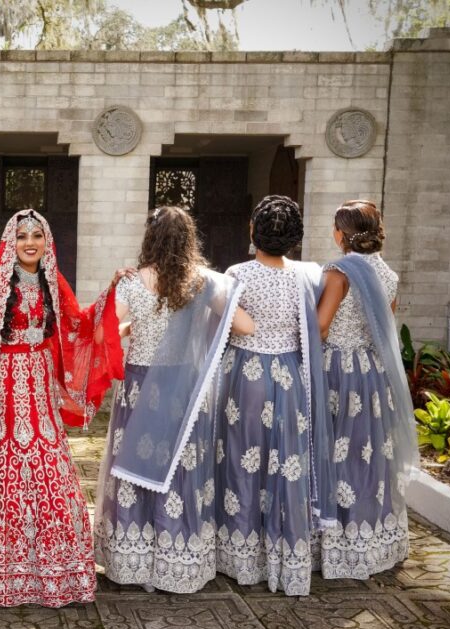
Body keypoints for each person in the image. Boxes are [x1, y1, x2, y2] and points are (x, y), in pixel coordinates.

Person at [0, 208, 124, 607]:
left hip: (41, 376)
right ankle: (1, 566)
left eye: (37, 235)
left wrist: (111, 290)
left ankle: (54, 567)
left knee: (49, 450)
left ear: (47, 241)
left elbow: (79, 322)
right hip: (6, 377)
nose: (29, 243)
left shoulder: (53, 280)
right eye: (21, 236)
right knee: (8, 449)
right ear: (9, 242)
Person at [95, 206, 254, 593]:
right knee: (178, 468)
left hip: (138, 388)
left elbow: (103, 335)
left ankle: (131, 561)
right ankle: (173, 558)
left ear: (149, 238)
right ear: (189, 240)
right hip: (182, 389)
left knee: (133, 463)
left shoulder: (132, 283)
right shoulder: (202, 282)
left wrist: (135, 324)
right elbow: (246, 326)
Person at [213, 195, 334, 596]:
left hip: (245, 377)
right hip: (290, 377)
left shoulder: (236, 273)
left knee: (242, 460)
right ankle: (286, 558)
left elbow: (227, 327)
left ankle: (243, 558)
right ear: (295, 237)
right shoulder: (309, 274)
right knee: (286, 463)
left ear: (253, 231)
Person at [317, 200, 415, 578]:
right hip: (372, 373)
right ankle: (372, 538)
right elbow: (385, 330)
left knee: (334, 452)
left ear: (341, 235)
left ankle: (335, 540)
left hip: (338, 373)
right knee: (368, 453)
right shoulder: (388, 274)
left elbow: (321, 326)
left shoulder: (339, 272)